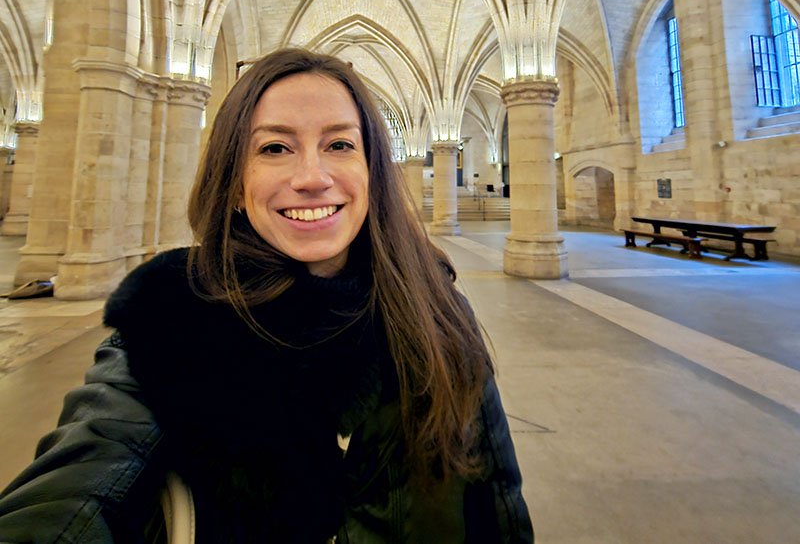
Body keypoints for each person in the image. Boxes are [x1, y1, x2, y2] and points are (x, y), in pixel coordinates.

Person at [0, 48, 533, 543]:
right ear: (234, 181)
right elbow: (86, 466)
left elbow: (498, 507)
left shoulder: (432, 307)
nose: (311, 177)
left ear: (371, 169)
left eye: (339, 144)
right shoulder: (175, 314)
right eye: (275, 148)